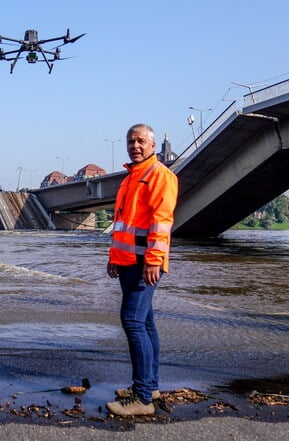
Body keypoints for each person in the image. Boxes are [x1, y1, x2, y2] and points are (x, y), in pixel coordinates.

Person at [105, 123, 178, 416]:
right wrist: (113, 256)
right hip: (126, 262)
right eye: (131, 141)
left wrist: (154, 259)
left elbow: (162, 221)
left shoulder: (160, 176)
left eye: (141, 141)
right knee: (145, 323)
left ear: (152, 146)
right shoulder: (130, 178)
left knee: (132, 322)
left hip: (143, 264)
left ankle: (142, 398)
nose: (135, 146)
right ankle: (150, 385)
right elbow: (122, 223)